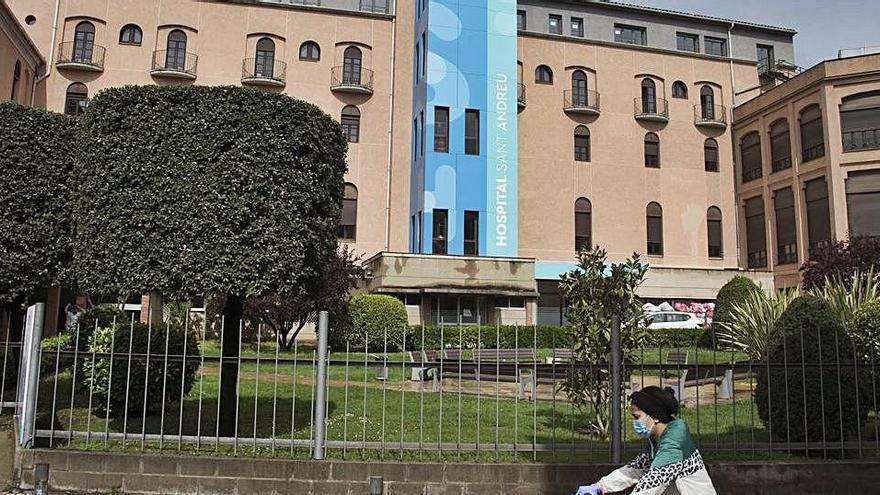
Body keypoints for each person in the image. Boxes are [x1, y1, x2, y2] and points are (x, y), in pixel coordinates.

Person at [575, 386, 716, 495]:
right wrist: (600, 486)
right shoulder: (658, 439)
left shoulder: (674, 443)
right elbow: (636, 468)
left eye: (637, 417)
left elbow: (653, 481)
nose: (634, 422)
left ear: (654, 416)